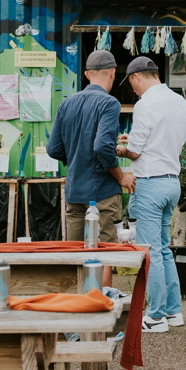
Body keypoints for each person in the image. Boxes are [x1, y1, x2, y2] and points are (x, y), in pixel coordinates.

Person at [47, 50, 133, 288]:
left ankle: (74, 310)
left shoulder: (66, 104)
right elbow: (102, 147)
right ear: (113, 74)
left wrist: (77, 155)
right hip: (104, 192)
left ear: (86, 75)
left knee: (74, 252)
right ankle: (102, 309)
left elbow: (53, 149)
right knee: (106, 252)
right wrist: (121, 176)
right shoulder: (109, 103)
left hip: (75, 191)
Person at [117, 56, 186, 333]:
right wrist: (133, 141)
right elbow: (168, 138)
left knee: (150, 252)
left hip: (150, 184)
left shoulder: (145, 103)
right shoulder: (180, 102)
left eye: (132, 84)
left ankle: (156, 315)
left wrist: (121, 148)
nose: (133, 90)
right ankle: (174, 312)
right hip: (172, 181)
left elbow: (135, 151)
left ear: (137, 77)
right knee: (163, 249)